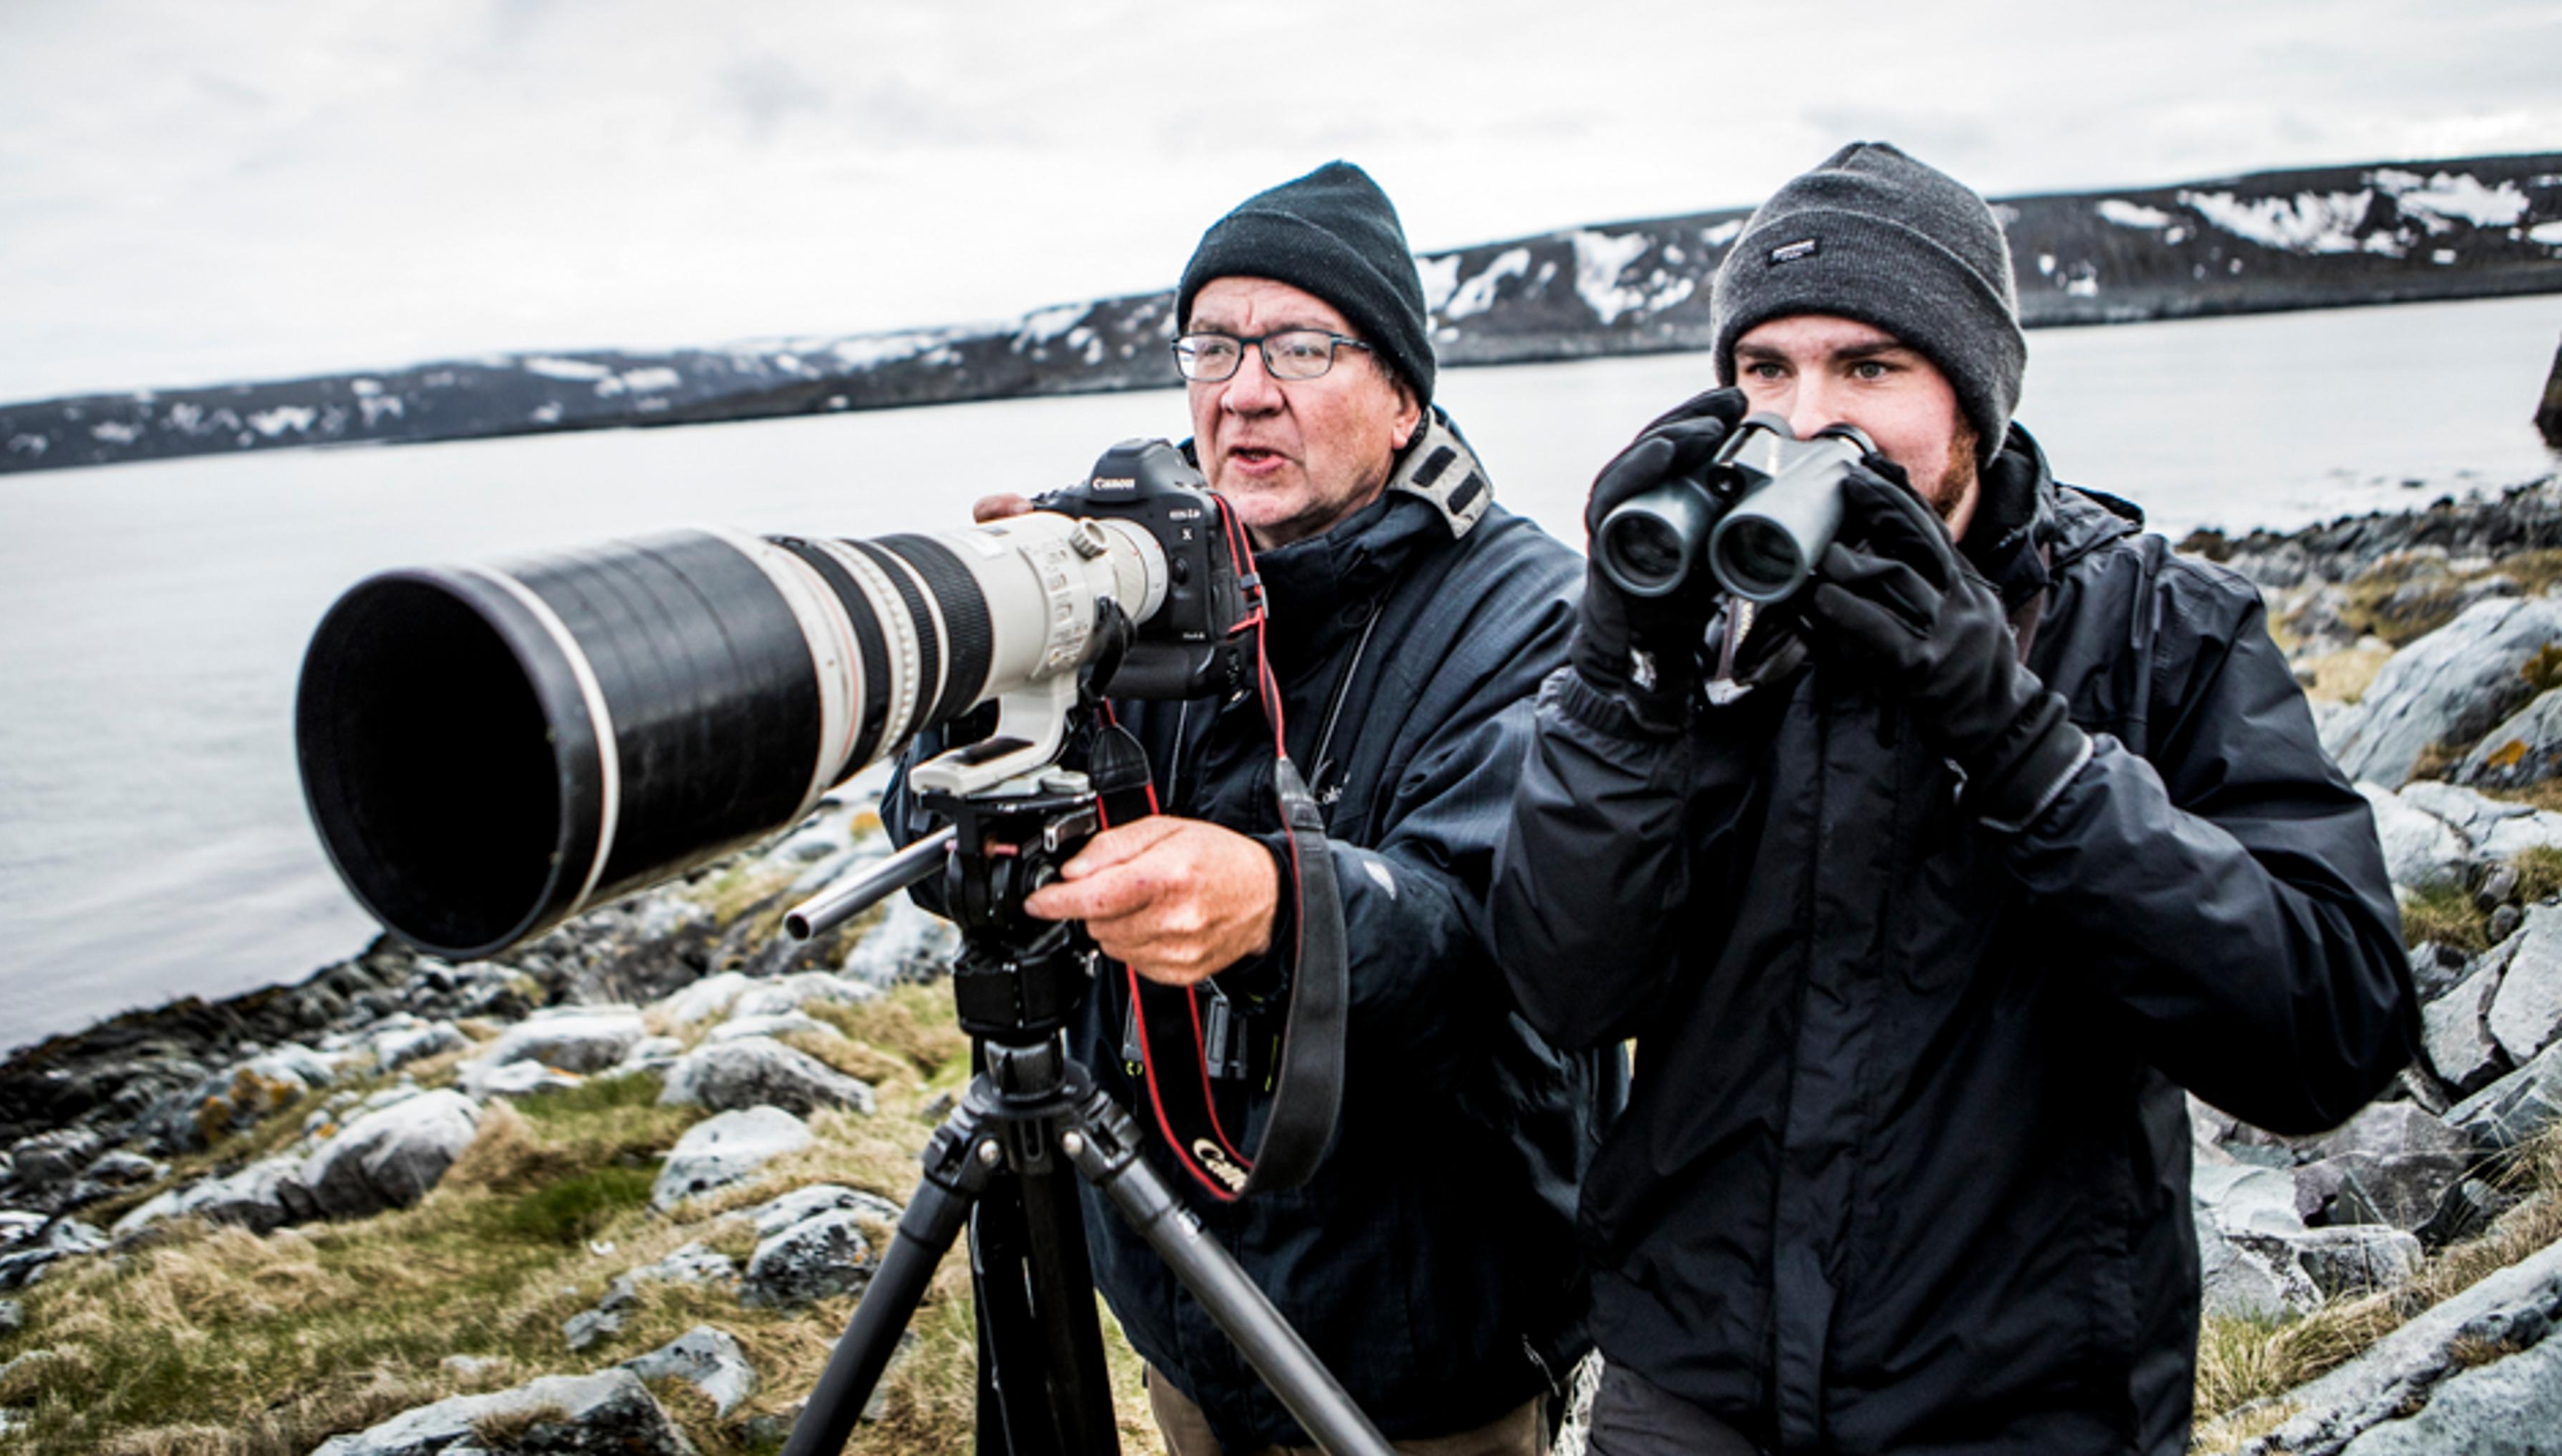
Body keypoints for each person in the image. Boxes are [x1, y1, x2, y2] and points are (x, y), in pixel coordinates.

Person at [1490, 141, 2420, 1456]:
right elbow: (1569, 986)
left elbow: (2330, 1023)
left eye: (1869, 367)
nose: (1810, 421)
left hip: (2013, 1404)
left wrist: (2018, 738)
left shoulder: (2158, 628)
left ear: (1975, 400)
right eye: (1767, 370)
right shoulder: (1706, 635)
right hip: (1694, 1393)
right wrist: (1621, 673)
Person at [885, 160, 1609, 1455]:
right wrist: (996, 673)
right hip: (1182, 1308)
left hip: (1422, 1353)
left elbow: (1511, 938)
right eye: (1212, 344)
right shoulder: (1125, 589)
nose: (1244, 388)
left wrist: (1279, 904)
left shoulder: (1535, 615)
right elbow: (943, 852)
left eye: (1302, 345)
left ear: (1402, 396)